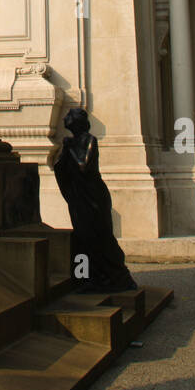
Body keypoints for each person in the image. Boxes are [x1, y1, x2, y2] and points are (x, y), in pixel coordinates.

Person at [48, 107, 136, 292]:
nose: (65, 119)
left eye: (69, 116)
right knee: (83, 238)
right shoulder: (69, 143)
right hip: (78, 196)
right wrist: (64, 152)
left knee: (100, 236)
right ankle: (85, 278)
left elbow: (83, 164)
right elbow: (59, 169)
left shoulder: (89, 140)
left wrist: (69, 148)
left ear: (77, 121)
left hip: (93, 197)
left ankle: (115, 274)